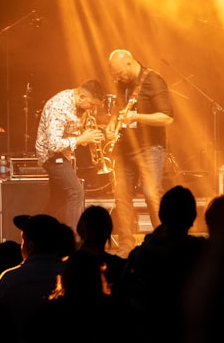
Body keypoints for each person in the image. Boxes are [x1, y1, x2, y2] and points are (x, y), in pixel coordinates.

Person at [108, 49, 174, 253]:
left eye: (119, 72)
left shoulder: (153, 80)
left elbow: (167, 117)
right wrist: (112, 123)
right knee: (121, 195)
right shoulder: (123, 83)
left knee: (150, 193)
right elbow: (119, 107)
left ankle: (164, 241)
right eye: (115, 74)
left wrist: (137, 118)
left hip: (150, 147)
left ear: (130, 63)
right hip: (125, 148)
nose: (117, 77)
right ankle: (126, 245)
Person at [34, 80, 107, 228]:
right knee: (76, 192)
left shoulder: (79, 105)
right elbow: (53, 144)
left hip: (65, 154)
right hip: (51, 156)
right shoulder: (59, 107)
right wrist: (81, 139)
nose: (92, 109)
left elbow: (74, 133)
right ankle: (73, 240)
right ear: (81, 97)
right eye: (91, 105)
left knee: (58, 200)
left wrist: (91, 135)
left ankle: (39, 235)